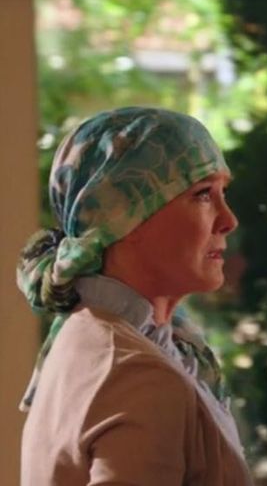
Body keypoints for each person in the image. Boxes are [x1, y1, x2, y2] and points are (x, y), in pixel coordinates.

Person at [17, 107, 253, 485]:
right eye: (203, 194)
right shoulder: (138, 373)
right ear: (124, 218)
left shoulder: (85, 335)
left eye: (222, 192)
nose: (229, 220)